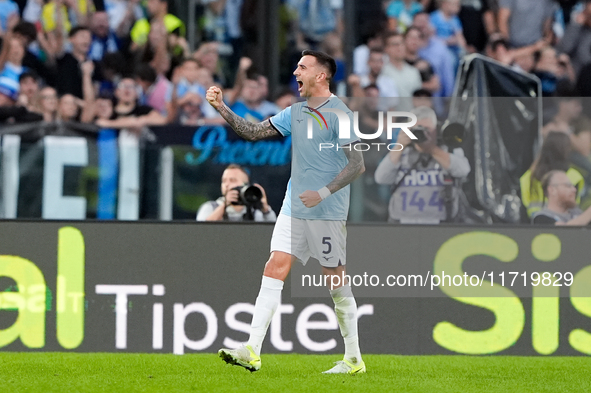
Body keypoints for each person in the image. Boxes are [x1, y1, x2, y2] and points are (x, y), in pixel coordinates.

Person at [206, 49, 366, 374]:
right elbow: (252, 133)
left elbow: (357, 165)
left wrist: (322, 192)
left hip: (327, 211)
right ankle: (252, 349)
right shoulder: (295, 112)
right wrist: (221, 107)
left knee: (335, 282)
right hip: (294, 207)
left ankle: (353, 359)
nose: (296, 72)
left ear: (321, 75)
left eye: (302, 67)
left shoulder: (341, 114)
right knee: (275, 265)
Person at [374, 106, 470, 223]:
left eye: (427, 129)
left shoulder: (448, 150)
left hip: (442, 223)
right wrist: (399, 146)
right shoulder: (400, 152)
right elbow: (381, 178)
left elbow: (463, 170)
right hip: (402, 223)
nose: (422, 133)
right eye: (417, 129)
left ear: (436, 129)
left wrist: (433, 149)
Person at [520, 131, 584, 218]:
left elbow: (523, 209)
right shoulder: (574, 176)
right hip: (564, 226)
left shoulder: (528, 177)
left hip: (532, 226)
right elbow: (573, 207)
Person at [196, 164, 277, 222]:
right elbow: (200, 231)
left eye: (232, 180)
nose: (227, 185)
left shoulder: (254, 213)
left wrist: (265, 209)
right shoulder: (210, 207)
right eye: (224, 181)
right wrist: (225, 204)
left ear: (245, 185)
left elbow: (273, 233)